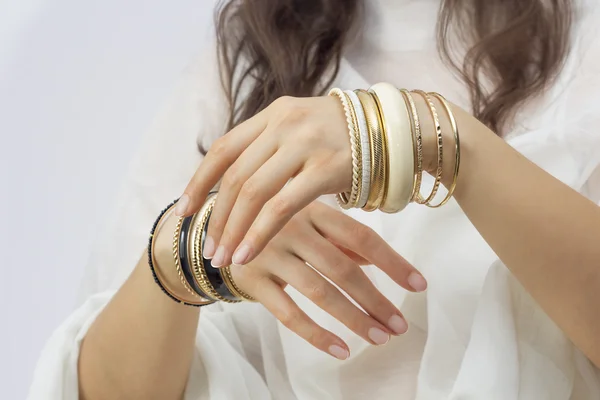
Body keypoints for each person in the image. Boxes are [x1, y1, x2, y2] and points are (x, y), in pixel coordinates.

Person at [29, 0, 600, 398]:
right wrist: (198, 259)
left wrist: (433, 137)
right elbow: (96, 390)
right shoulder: (243, 65)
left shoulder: (586, 54)